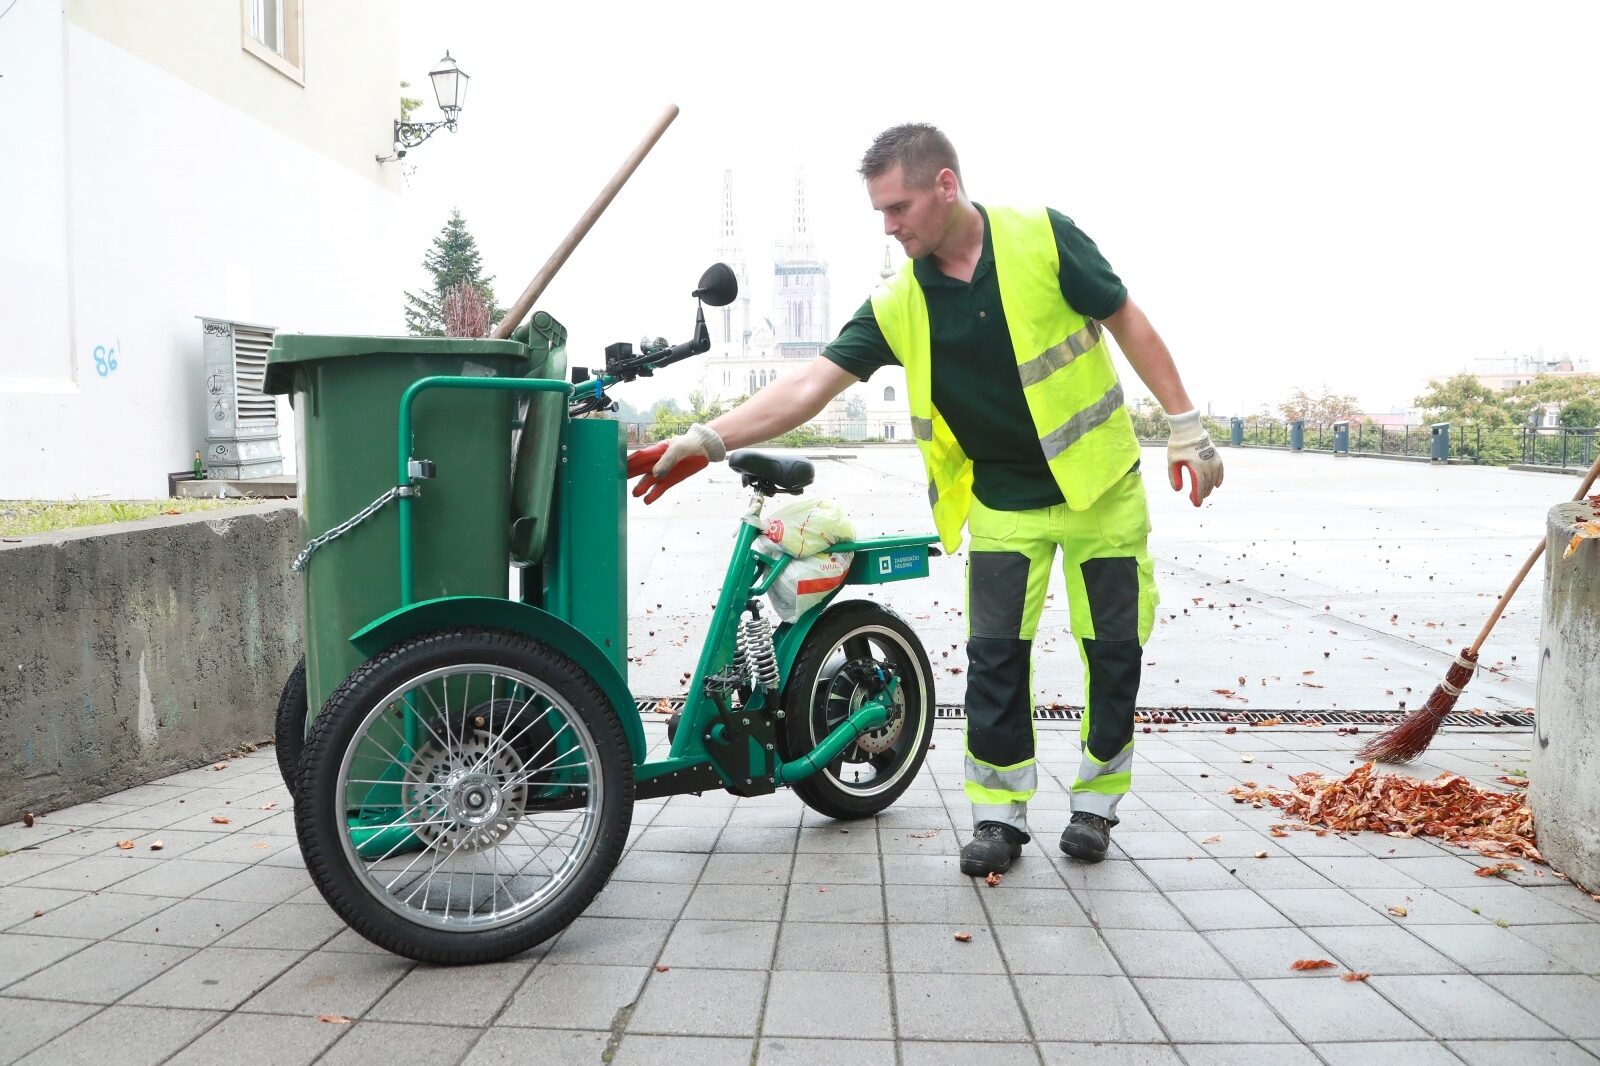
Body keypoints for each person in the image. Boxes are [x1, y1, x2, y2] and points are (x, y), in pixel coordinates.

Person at [630, 123, 1222, 875]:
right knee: (995, 658)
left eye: (898, 207)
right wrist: (707, 438)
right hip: (1003, 500)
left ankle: (1096, 806)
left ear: (946, 185)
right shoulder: (900, 301)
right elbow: (810, 385)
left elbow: (1125, 317)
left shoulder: (1043, 237)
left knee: (1113, 654)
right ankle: (998, 817)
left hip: (1101, 488)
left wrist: (1185, 425)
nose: (888, 226)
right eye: (880, 211)